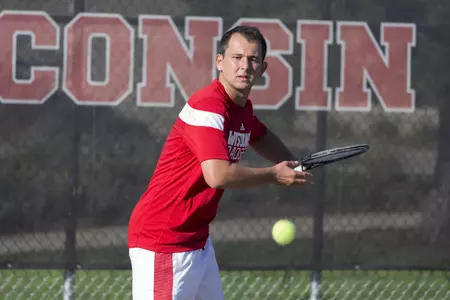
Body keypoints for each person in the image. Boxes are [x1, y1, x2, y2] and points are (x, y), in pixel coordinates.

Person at [128, 25, 313, 300]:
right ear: (220, 63)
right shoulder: (208, 106)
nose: (244, 66)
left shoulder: (241, 110)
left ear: (262, 69)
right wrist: (274, 174)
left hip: (197, 241)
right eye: (236, 58)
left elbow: (259, 135)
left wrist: (292, 164)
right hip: (164, 242)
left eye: (252, 60)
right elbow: (218, 175)